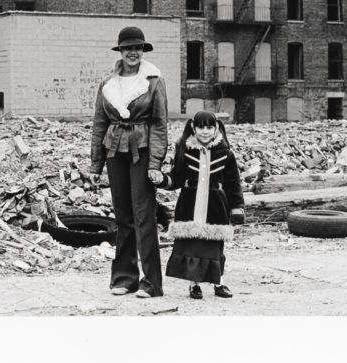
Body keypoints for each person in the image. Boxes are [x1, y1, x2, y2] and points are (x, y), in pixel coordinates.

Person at [88, 26, 168, 298]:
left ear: (143, 51)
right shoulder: (107, 85)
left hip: (142, 150)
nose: (133, 53)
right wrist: (95, 166)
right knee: (122, 215)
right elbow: (99, 124)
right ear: (120, 51)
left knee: (144, 215)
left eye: (138, 48)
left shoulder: (153, 81)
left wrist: (155, 163)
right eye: (127, 48)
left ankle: (151, 283)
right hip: (114, 151)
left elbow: (159, 124)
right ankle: (124, 278)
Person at [155, 110, 245, 299]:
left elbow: (233, 184)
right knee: (192, 246)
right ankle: (193, 285)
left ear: (216, 128)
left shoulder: (226, 153)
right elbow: (176, 178)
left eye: (209, 127)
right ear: (193, 128)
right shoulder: (184, 150)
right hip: (189, 204)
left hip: (216, 207)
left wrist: (237, 207)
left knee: (215, 247)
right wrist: (162, 179)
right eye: (201, 127)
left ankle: (219, 283)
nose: (205, 131)